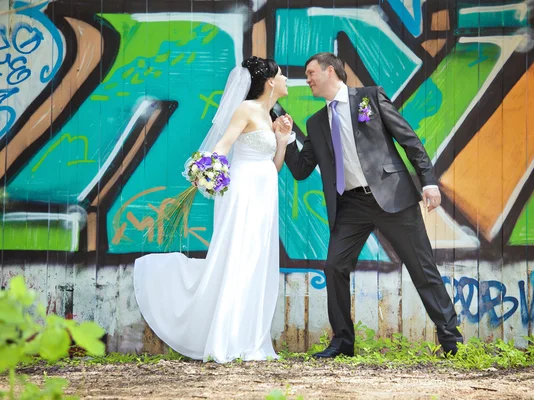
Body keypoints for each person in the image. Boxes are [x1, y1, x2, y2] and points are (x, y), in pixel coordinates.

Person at [283, 52, 463, 358]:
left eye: (311, 72)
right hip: (350, 205)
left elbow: (409, 139)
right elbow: (301, 170)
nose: (308, 79)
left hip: (392, 196)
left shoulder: (369, 98)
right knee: (334, 266)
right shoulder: (315, 124)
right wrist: (287, 140)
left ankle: (452, 342)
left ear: (330, 71)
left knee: (423, 269)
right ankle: (343, 342)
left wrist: (428, 181)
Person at [133, 56, 292, 363]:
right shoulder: (246, 109)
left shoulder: (270, 113)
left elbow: (274, 166)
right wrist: (207, 172)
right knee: (238, 259)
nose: (286, 79)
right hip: (243, 191)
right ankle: (227, 336)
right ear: (270, 82)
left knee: (258, 260)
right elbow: (223, 145)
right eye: (282, 75)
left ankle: (250, 338)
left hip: (264, 192)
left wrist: (281, 140)